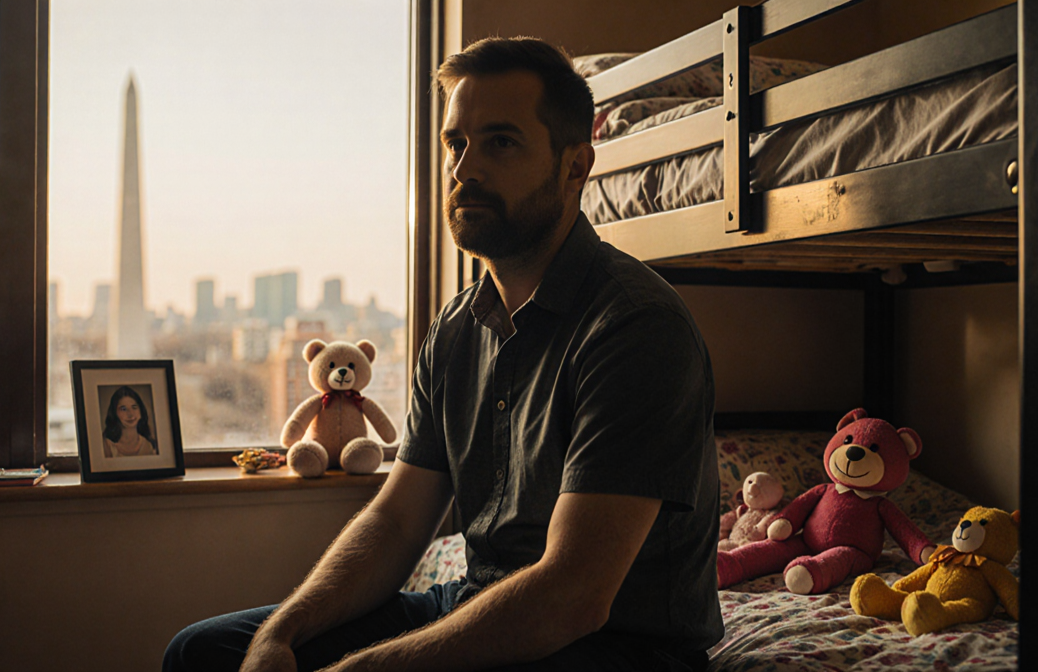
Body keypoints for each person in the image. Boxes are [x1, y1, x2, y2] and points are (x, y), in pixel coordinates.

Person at [164, 36, 721, 672]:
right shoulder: (457, 328)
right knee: (205, 653)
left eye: (500, 143)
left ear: (575, 166)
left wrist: (364, 669)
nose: (463, 169)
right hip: (475, 601)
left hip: (617, 645)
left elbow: (574, 596)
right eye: (456, 143)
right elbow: (399, 523)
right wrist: (282, 632)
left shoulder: (636, 328)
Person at [102, 385, 159, 458]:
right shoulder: (107, 445)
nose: (130, 414)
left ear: (141, 411)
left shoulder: (151, 446)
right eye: (123, 409)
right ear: (114, 413)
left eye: (134, 407)